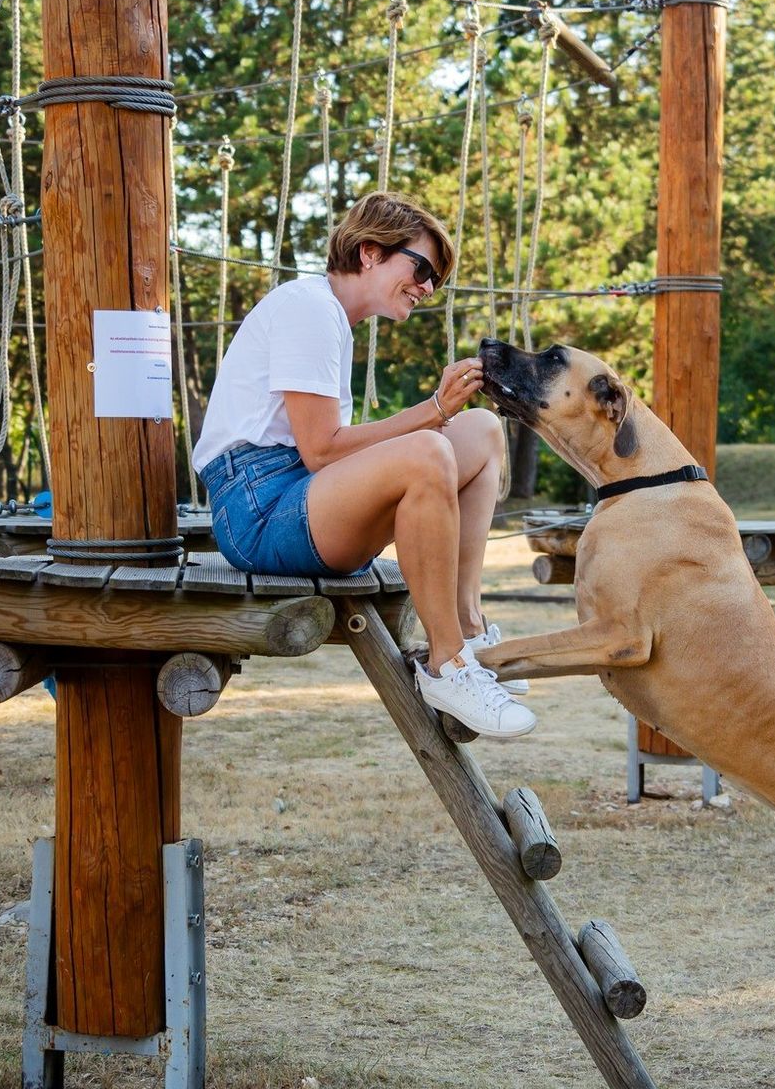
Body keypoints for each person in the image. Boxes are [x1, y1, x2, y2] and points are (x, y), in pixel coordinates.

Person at [192, 190, 536, 739]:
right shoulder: (308, 307)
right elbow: (323, 450)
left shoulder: (329, 318)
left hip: (299, 494)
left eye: (434, 280)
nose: (426, 288)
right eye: (421, 268)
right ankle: (447, 665)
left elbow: (326, 456)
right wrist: (433, 411)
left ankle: (469, 631)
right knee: (430, 449)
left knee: (482, 430)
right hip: (256, 508)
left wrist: (445, 417)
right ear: (371, 252)